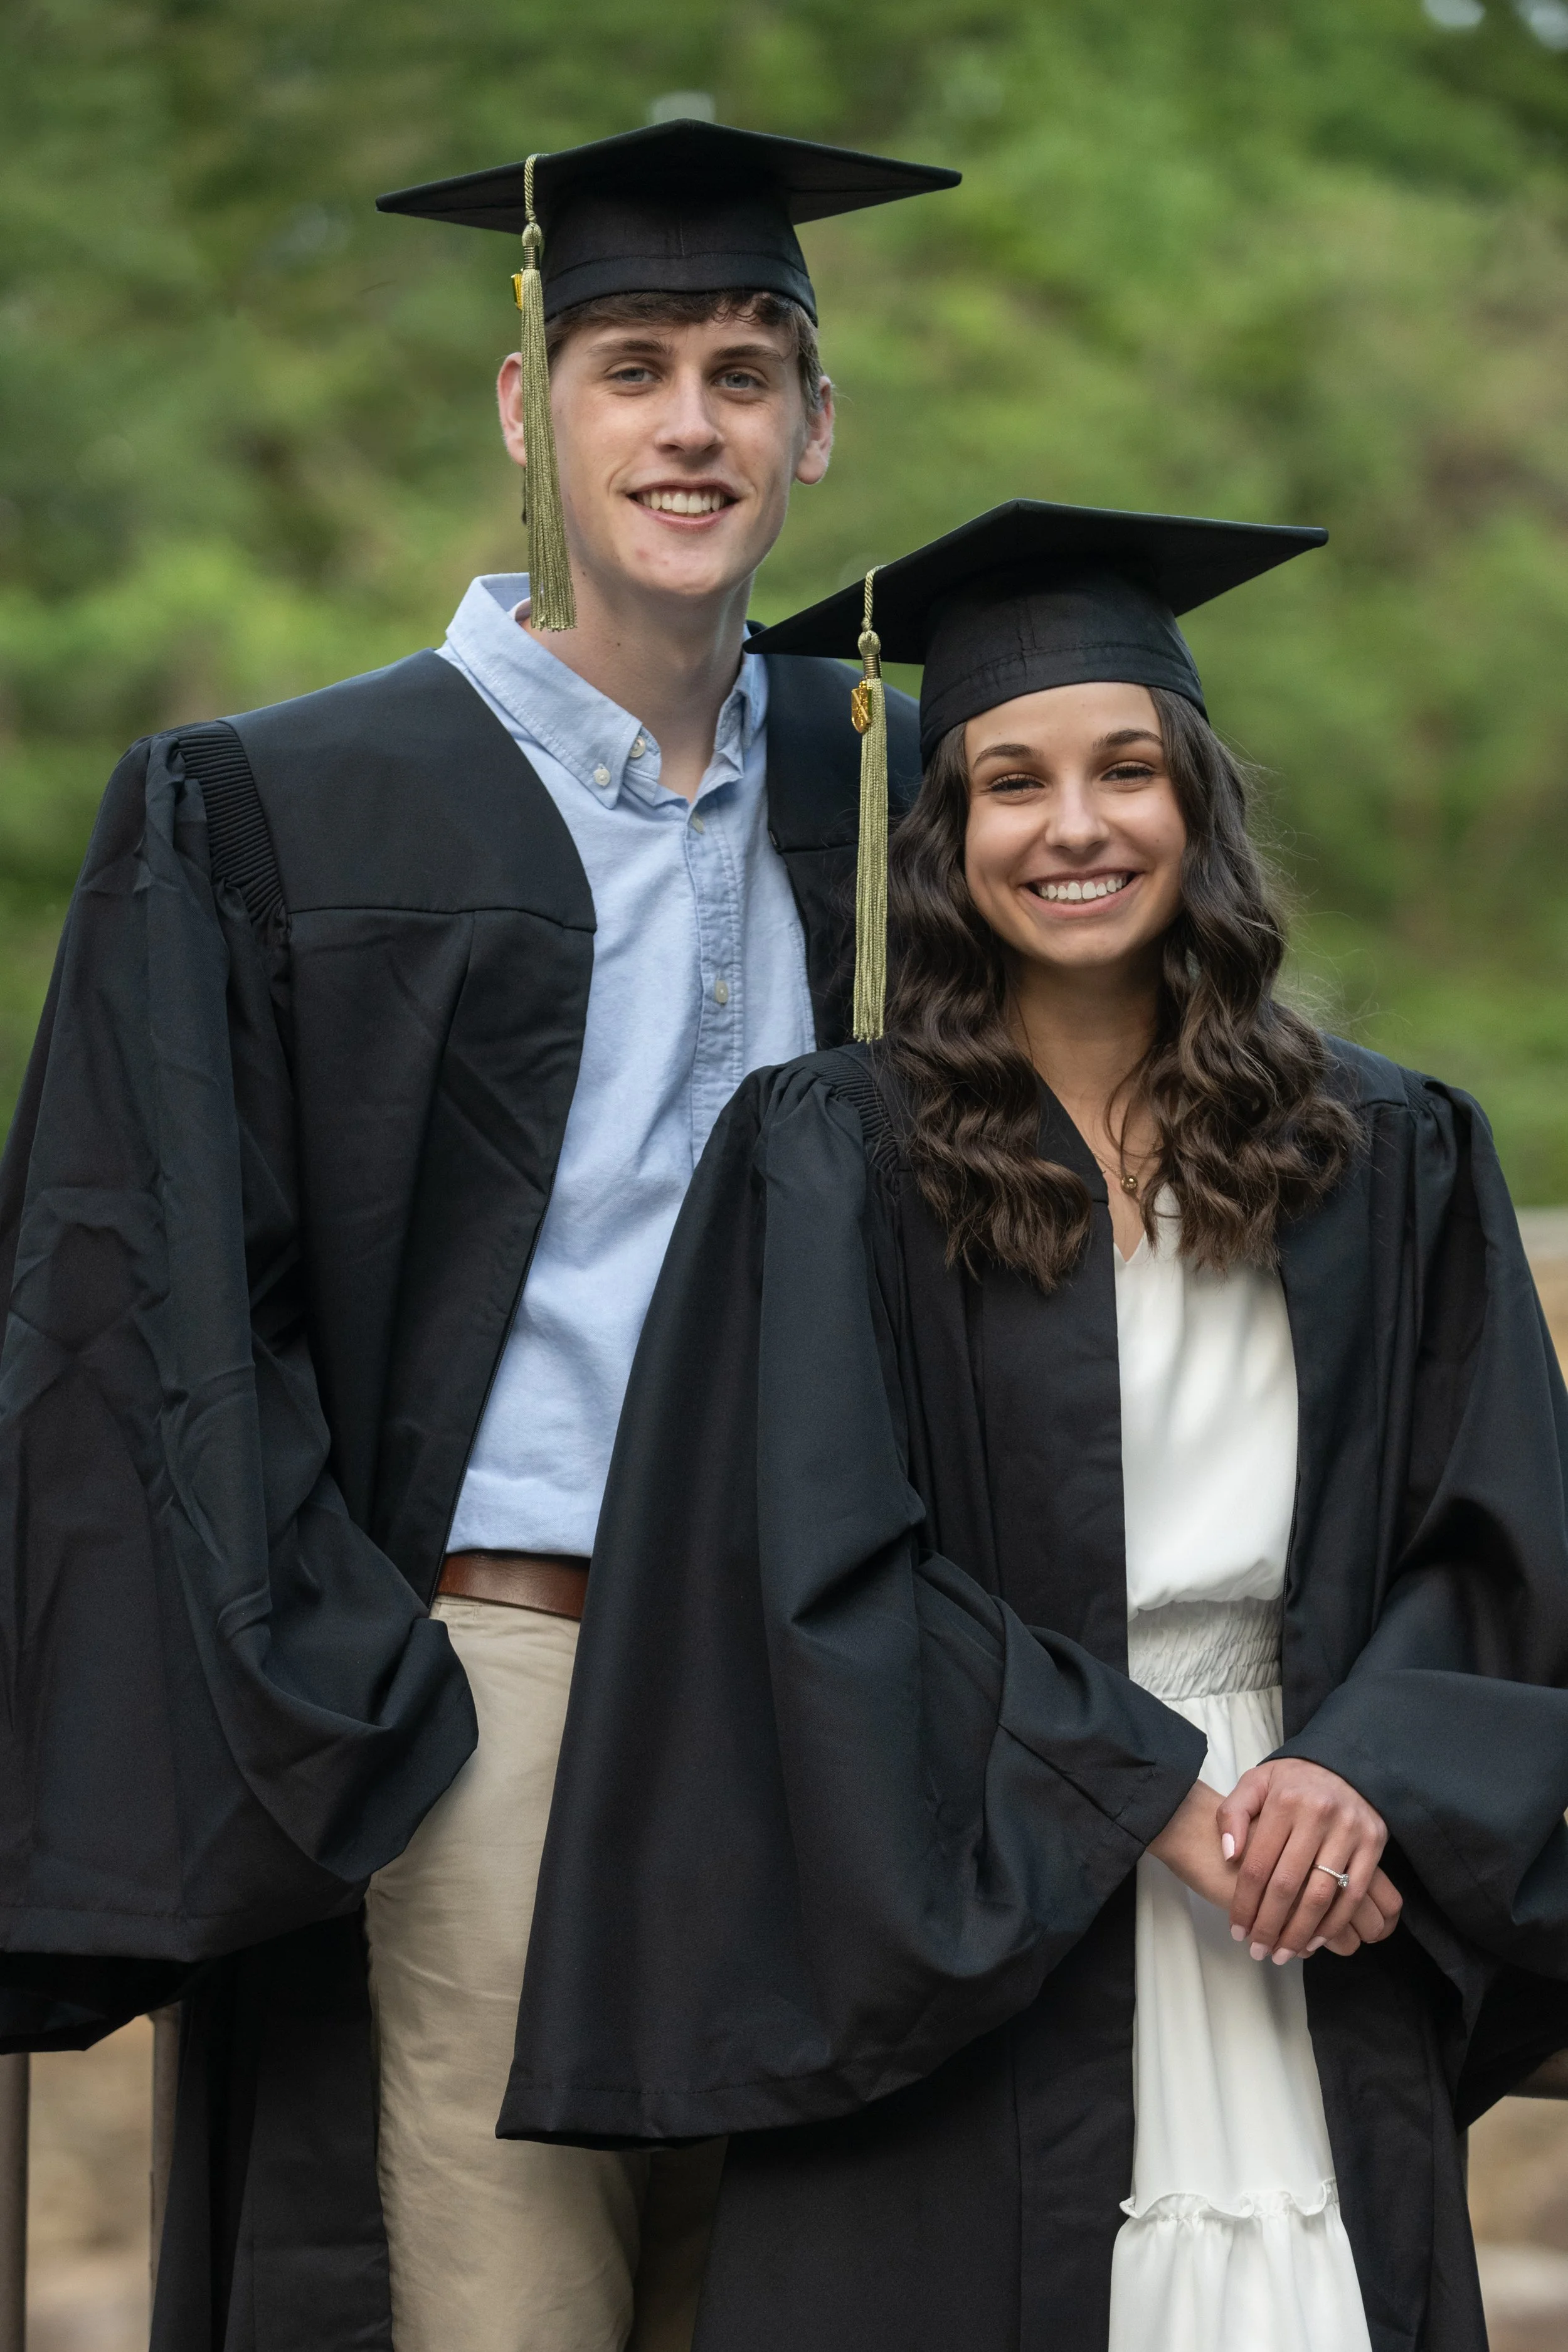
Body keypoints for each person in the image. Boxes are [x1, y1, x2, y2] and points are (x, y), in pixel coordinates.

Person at [0, 120, 958, 2352]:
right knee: (490, 2314)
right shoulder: (288, 805)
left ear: (818, 423)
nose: (692, 422)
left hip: (835, 1708)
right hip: (494, 1681)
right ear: (532, 408)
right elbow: (153, 1310)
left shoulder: (910, 787)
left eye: (746, 367)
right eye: (633, 365)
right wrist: (360, 1686)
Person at [499, 501, 1568, 2352]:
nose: (1073, 826)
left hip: (1312, 1861)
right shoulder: (829, 1157)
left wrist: (1361, 1768)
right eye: (1008, 782)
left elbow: (1494, 1534)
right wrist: (1139, 1790)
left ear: (1197, 805)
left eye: (1123, 770)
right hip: (968, 1865)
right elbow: (811, 1557)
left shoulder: (1385, 1150)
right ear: (947, 833)